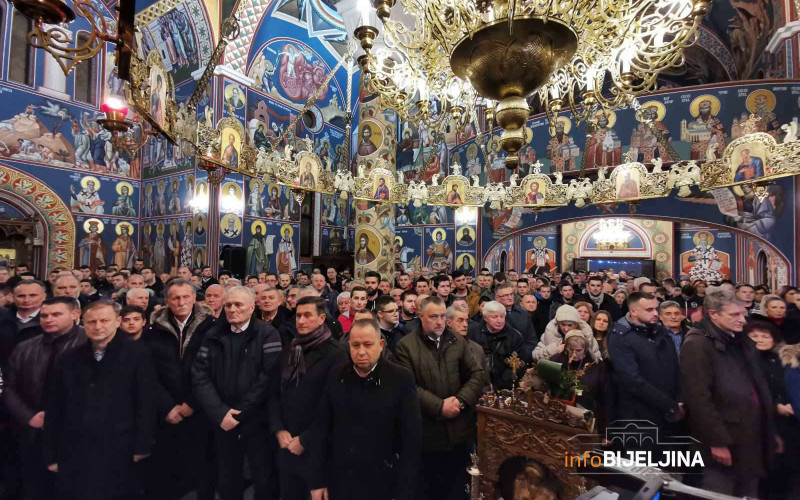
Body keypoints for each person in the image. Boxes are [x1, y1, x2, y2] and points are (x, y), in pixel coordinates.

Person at [42, 300, 157, 500]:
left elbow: (146, 402)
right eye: (91, 321)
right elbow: (55, 408)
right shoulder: (69, 358)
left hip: (121, 447)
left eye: (104, 320)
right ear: (83, 323)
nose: (98, 326)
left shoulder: (137, 354)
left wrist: (143, 445)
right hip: (76, 449)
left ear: (117, 321)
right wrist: (51, 453)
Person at [309, 319, 422, 500]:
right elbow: (321, 430)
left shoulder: (400, 378)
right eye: (355, 345)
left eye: (368, 345)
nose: (361, 352)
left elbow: (411, 441)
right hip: (340, 481)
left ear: (381, 345)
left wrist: (403, 493)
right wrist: (317, 481)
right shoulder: (336, 374)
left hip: (383, 482)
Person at [681, 287, 778, 497]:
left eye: (743, 313)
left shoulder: (738, 339)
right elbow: (699, 398)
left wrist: (769, 428)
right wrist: (717, 441)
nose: (743, 320)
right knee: (721, 492)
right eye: (735, 314)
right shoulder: (697, 344)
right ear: (714, 314)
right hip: (725, 438)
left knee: (749, 491)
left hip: (751, 434)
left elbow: (755, 385)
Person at [192, 286, 282, 500]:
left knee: (263, 477)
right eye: (229, 305)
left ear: (252, 307)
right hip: (222, 421)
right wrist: (220, 412)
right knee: (227, 477)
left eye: (238, 305)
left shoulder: (268, 334)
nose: (232, 309)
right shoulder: (213, 335)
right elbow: (199, 375)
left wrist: (240, 412)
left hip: (256, 420)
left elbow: (268, 377)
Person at [395, 296, 485, 500]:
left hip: (458, 431)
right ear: (420, 316)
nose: (439, 321)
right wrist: (439, 407)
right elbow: (408, 386)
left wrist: (461, 400)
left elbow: (477, 374)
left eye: (443, 316)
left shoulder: (457, 340)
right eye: (433, 316)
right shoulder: (406, 346)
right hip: (426, 435)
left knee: (456, 491)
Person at [4, 297, 85, 500]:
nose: (48, 319)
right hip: (32, 430)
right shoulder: (25, 347)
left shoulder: (90, 344)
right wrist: (29, 416)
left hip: (77, 433)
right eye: (44, 315)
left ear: (75, 314)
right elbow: (9, 387)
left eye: (56, 314)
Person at [143, 278, 217, 500]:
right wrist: (167, 406)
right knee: (165, 471)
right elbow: (147, 373)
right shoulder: (152, 331)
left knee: (201, 470)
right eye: (175, 298)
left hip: (199, 409)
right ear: (167, 301)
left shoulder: (212, 328)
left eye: (186, 297)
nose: (181, 302)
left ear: (194, 299)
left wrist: (192, 403)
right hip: (165, 412)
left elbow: (214, 369)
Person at [270, 296, 347, 500]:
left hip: (318, 450)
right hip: (287, 446)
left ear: (322, 318)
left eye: (307, 316)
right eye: (298, 316)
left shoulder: (336, 354)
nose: (301, 321)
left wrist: (305, 439)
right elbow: (276, 393)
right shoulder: (290, 349)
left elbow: (335, 406)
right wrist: (279, 429)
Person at [608, 292, 683, 437]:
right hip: (640, 419)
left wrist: (680, 402)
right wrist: (670, 406)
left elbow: (676, 370)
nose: (656, 313)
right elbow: (633, 381)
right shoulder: (621, 337)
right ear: (633, 311)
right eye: (649, 310)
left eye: (656, 309)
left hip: (670, 416)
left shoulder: (662, 332)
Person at [746, 320, 800, 500]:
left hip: (788, 423)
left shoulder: (785, 360)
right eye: (754, 336)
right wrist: (775, 406)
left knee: (788, 469)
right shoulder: (742, 360)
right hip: (759, 422)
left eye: (764, 336)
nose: (759, 340)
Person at [467, 301, 525, 390]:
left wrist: (497, 386)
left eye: (502, 316)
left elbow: (516, 366)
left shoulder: (515, 336)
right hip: (478, 385)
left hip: (505, 387)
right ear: (485, 318)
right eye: (494, 317)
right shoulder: (473, 333)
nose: (499, 320)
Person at [533, 305, 600, 361]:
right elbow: (535, 355)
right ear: (558, 323)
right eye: (563, 324)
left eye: (570, 325)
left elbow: (598, 360)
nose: (566, 328)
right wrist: (554, 349)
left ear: (576, 324)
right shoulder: (549, 334)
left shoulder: (587, 336)